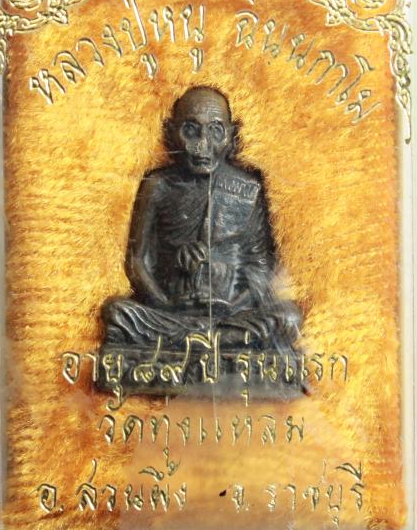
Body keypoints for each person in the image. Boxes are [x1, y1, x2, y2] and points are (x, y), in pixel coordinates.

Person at [102, 86, 302, 355]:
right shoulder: (158, 185)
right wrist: (166, 301)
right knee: (117, 312)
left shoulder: (249, 188)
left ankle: (198, 338)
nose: (203, 144)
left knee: (289, 317)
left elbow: (260, 266)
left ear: (232, 134)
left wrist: (233, 301)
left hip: (231, 313)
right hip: (171, 311)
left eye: (216, 131)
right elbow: (137, 261)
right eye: (191, 130)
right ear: (172, 132)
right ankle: (218, 340)